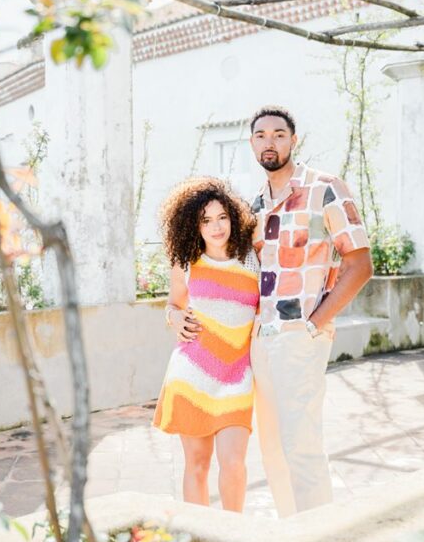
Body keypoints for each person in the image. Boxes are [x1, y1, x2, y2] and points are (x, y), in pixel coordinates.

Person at [247, 105, 374, 517]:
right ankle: (292, 537)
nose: (270, 142)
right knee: (272, 449)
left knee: (301, 445)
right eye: (261, 135)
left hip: (298, 336)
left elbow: (360, 264)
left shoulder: (325, 189)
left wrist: (315, 322)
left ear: (293, 140)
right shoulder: (254, 206)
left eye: (279, 134)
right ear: (252, 143)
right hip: (259, 339)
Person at [152, 177, 260, 512]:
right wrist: (174, 318)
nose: (216, 227)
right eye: (206, 220)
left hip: (237, 375)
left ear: (234, 217)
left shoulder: (252, 259)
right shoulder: (185, 262)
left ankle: (234, 536)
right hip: (192, 375)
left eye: (222, 217)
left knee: (233, 465)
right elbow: (173, 304)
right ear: (193, 226)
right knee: (197, 466)